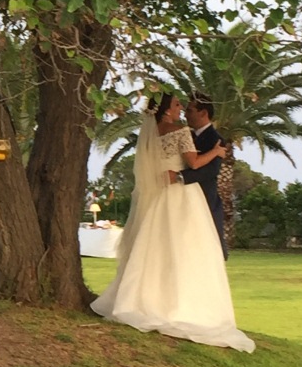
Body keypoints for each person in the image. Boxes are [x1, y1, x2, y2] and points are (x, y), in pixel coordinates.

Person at [91, 94, 254, 352]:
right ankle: (180, 306)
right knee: (186, 248)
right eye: (178, 105)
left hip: (160, 198)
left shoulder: (151, 133)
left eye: (185, 106)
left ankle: (144, 299)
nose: (182, 109)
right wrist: (215, 152)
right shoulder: (180, 131)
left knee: (157, 248)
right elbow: (195, 162)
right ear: (166, 110)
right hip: (182, 197)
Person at [170, 93, 228, 259]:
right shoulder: (183, 134)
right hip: (181, 199)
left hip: (204, 200)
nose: (185, 114)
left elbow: (210, 171)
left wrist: (180, 177)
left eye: (189, 110)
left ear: (203, 113)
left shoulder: (216, 140)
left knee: (209, 248)